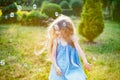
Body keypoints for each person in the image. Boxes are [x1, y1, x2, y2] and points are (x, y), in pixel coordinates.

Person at [48, 15, 91, 80]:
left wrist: (85, 61)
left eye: (59, 30)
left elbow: (79, 50)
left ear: (66, 30)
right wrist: (56, 67)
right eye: (56, 30)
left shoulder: (72, 39)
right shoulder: (56, 40)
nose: (57, 32)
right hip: (60, 66)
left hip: (72, 66)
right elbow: (53, 55)